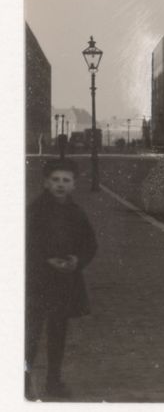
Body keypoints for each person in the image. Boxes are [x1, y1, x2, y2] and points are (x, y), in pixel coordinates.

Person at [25, 158, 98, 399]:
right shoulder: (35, 211)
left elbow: (90, 243)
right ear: (46, 183)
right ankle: (22, 382)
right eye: (55, 180)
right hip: (37, 281)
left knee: (58, 333)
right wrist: (46, 259)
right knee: (30, 334)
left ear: (74, 185)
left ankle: (53, 382)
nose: (60, 184)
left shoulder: (76, 213)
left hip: (65, 282)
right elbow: (26, 242)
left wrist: (78, 260)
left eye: (66, 180)